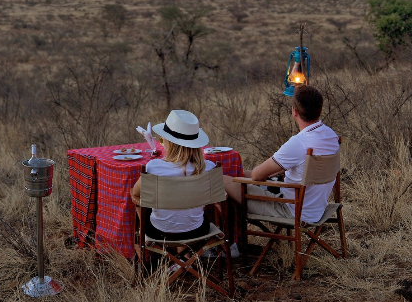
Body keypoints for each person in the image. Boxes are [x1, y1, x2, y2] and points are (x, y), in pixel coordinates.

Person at [224, 85, 339, 223]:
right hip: (317, 209)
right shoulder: (332, 136)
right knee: (240, 175)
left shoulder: (299, 143)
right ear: (320, 109)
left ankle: (230, 239)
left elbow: (256, 175)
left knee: (221, 179)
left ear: (294, 112)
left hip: (293, 211)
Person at [131, 109, 217, 242]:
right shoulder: (209, 167)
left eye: (162, 139)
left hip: (160, 232)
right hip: (198, 231)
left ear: (169, 143)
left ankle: (165, 257)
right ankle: (184, 257)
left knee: (141, 205)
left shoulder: (153, 167)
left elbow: (136, 193)